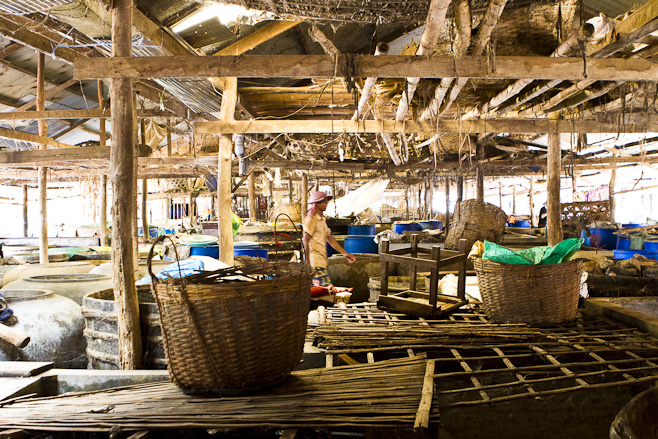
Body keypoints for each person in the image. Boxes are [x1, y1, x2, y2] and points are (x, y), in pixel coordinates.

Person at [302, 191, 356, 286]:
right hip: (315, 261)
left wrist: (345, 253)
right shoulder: (311, 219)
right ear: (317, 204)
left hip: (321, 260)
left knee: (321, 291)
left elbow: (330, 239)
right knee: (325, 289)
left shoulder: (322, 219)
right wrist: (307, 262)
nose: (326, 204)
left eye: (326, 201)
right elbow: (305, 240)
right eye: (323, 202)